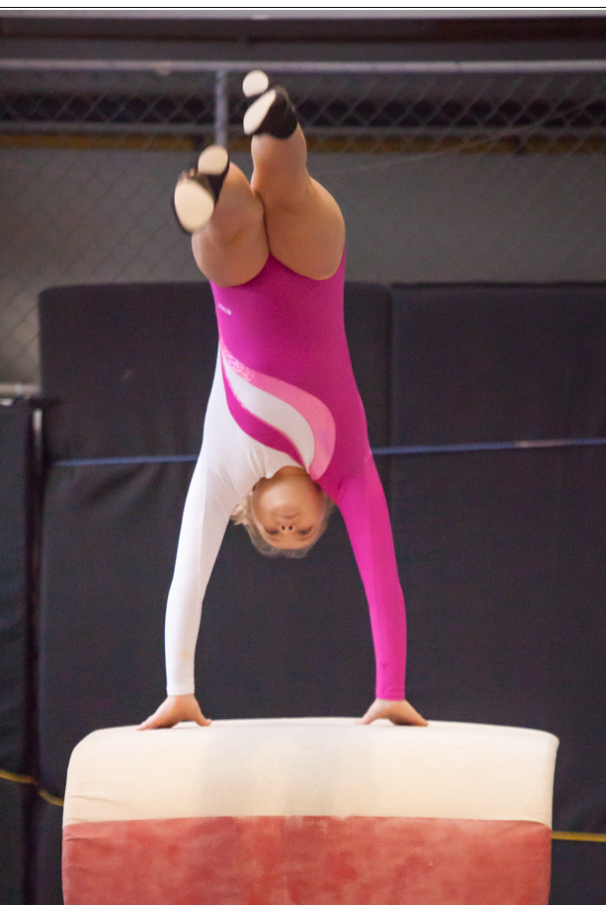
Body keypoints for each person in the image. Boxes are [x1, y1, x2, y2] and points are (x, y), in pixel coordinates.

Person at [142, 72, 425, 732]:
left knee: (231, 230)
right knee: (290, 193)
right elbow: (381, 579)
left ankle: (214, 187)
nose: (289, 527)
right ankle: (274, 119)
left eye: (274, 532)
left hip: (238, 284)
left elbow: (189, 574)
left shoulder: (224, 472)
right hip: (315, 270)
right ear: (327, 509)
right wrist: (390, 689)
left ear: (252, 513)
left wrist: (179, 688)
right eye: (303, 532)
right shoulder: (346, 468)